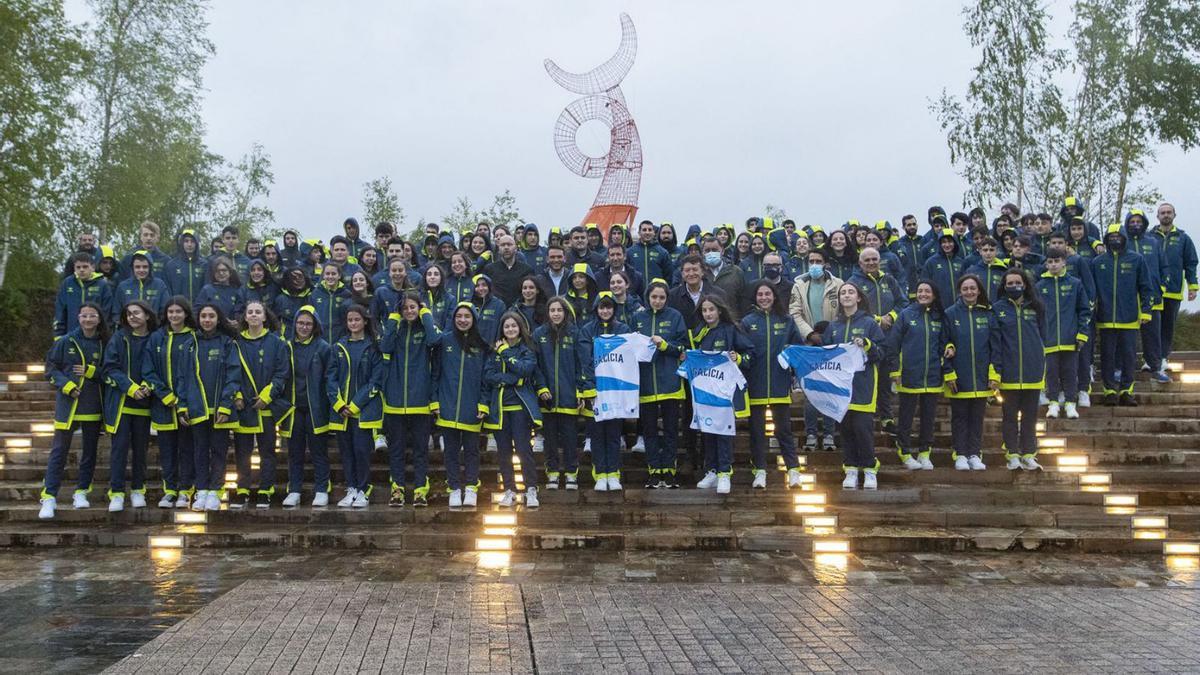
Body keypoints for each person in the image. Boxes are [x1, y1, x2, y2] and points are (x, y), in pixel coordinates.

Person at [38, 304, 108, 519]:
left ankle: (81, 492)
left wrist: (92, 372)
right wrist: (66, 385)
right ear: (78, 317)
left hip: (92, 405)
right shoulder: (66, 341)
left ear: (99, 319)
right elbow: (50, 368)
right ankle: (49, 496)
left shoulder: (104, 343)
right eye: (84, 315)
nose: (88, 319)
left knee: (89, 452)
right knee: (58, 452)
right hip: (67, 405)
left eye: (92, 316)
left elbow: (110, 371)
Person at [583, 294, 653, 491]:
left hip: (616, 392)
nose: (605, 311)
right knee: (597, 435)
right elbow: (584, 360)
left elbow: (637, 354)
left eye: (609, 307)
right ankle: (600, 475)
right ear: (596, 309)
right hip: (595, 392)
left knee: (614, 434)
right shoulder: (587, 330)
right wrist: (588, 387)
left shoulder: (623, 330)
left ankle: (613, 474)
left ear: (614, 309)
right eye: (601, 307)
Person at [741, 280, 805, 488]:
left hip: (779, 384)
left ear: (774, 296)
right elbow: (742, 351)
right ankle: (759, 471)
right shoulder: (747, 322)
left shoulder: (786, 320)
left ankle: (793, 469)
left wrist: (791, 361)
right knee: (757, 433)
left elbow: (798, 349)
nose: (764, 298)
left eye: (767, 294)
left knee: (784, 430)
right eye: (760, 294)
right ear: (755, 298)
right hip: (755, 385)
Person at [379, 293, 440, 507]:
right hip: (395, 402)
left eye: (413, 307)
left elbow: (435, 340)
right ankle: (397, 489)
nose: (409, 311)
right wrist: (393, 319)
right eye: (405, 308)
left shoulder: (426, 329)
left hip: (420, 401)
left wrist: (426, 314)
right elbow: (384, 347)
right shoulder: (396, 329)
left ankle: (420, 490)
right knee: (396, 450)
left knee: (420, 451)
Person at [230, 301, 291, 509]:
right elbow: (231, 372)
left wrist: (267, 396)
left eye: (258, 312)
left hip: (266, 407)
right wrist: (236, 395)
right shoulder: (236, 343)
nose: (254, 315)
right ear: (245, 317)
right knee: (242, 451)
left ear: (265, 317)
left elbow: (282, 373)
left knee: (267, 451)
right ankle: (242, 489)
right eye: (250, 312)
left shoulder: (277, 342)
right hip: (243, 407)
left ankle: (266, 490)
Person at [429, 303, 491, 508]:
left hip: (472, 407)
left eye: (467, 316)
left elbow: (485, 378)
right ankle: (454, 488)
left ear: (474, 319)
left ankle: (471, 487)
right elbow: (435, 373)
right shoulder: (445, 340)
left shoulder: (482, 345)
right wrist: (434, 400)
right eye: (459, 316)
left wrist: (483, 403)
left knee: (472, 450)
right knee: (451, 451)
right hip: (447, 405)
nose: (463, 320)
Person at [824, 283, 885, 490]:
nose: (847, 295)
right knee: (846, 430)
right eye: (843, 293)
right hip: (840, 390)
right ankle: (850, 468)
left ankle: (869, 469)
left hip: (863, 386)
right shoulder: (833, 327)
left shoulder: (869, 323)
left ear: (859, 298)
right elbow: (825, 357)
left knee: (862, 430)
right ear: (839, 299)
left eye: (851, 291)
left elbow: (881, 353)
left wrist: (868, 345)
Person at [689, 295, 752, 494]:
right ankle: (712, 471)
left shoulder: (731, 331)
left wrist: (739, 357)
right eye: (704, 310)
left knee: (723, 433)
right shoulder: (698, 333)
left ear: (720, 311)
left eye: (711, 310)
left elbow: (750, 354)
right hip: (704, 392)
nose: (708, 314)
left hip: (725, 394)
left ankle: (725, 473)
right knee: (707, 433)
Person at [182, 304, 240, 511]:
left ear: (218, 318)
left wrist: (225, 405)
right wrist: (182, 406)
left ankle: (216, 490)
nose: (207, 320)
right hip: (197, 409)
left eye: (211, 316)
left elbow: (234, 376)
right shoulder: (190, 344)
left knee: (218, 451)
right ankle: (202, 491)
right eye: (203, 316)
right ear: (198, 319)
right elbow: (183, 378)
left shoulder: (227, 343)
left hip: (219, 410)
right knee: (199, 451)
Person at [141, 297, 197, 508]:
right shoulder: (157, 338)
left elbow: (194, 372)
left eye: (179, 311)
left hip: (187, 405)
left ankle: (186, 490)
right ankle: (170, 490)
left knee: (187, 448)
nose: (174, 315)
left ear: (186, 314)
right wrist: (165, 394)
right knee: (167, 450)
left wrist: (182, 398)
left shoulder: (194, 337)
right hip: (162, 404)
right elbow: (148, 370)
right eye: (171, 311)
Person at [102, 301, 158, 512]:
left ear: (147, 315)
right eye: (128, 314)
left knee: (141, 451)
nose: (132, 317)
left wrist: (148, 385)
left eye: (136, 313)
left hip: (145, 404)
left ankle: (138, 490)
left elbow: (160, 366)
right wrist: (130, 387)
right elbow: (110, 368)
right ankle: (116, 493)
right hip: (121, 404)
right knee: (119, 450)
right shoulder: (119, 338)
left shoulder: (156, 338)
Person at [483, 312, 543, 508]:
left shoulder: (526, 349)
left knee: (524, 451)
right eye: (506, 326)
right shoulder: (494, 350)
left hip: (520, 410)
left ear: (520, 328)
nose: (510, 329)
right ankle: (509, 490)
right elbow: (489, 376)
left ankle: (531, 489)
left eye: (513, 326)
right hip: (499, 410)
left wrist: (506, 354)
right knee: (504, 452)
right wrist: (513, 379)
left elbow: (526, 371)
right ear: (502, 329)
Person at [630, 281, 687, 487]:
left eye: (662, 297)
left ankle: (669, 470)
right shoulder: (637, 318)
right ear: (648, 297)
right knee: (649, 431)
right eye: (654, 297)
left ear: (667, 298)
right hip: (646, 384)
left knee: (671, 430)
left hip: (670, 383)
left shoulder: (675, 317)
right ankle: (654, 470)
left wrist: (664, 345)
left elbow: (683, 347)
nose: (658, 301)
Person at [1090, 224, 1153, 406]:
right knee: (1107, 357)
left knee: (1129, 356)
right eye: (1111, 236)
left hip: (1130, 318)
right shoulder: (1098, 262)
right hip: (1105, 318)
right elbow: (1091, 290)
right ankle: (1109, 390)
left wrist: (1147, 311)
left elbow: (1146, 287)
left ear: (1124, 238)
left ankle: (1127, 390)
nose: (1114, 239)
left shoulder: (1137, 260)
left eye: (1118, 236)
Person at [888, 281, 949, 470]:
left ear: (934, 294)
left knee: (929, 417)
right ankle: (905, 451)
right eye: (920, 291)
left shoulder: (940, 316)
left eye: (927, 291)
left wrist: (949, 347)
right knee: (906, 416)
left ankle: (924, 453)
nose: (923, 294)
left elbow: (945, 341)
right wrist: (895, 370)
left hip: (932, 375)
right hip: (909, 374)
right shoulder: (906, 315)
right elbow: (894, 344)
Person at [328, 305, 384, 508]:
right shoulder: (338, 347)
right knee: (346, 451)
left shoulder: (373, 347)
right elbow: (330, 378)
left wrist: (355, 404)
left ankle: (363, 489)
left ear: (365, 321)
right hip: (341, 412)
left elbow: (375, 381)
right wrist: (339, 404)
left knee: (361, 451)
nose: (353, 323)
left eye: (357, 320)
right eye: (350, 320)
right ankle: (351, 488)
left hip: (363, 411)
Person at [279, 306, 334, 508]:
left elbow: (329, 378)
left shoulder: (323, 347)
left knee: (319, 451)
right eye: (300, 323)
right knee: (294, 451)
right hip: (293, 408)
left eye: (308, 323)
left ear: (315, 326)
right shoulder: (286, 347)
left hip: (315, 407)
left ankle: (321, 489)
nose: (304, 327)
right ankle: (294, 489)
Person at [534, 296, 589, 491]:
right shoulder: (539, 334)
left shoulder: (575, 333)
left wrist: (580, 391)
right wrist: (541, 388)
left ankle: (572, 473)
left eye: (559, 310)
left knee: (570, 438)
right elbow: (536, 366)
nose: (556, 313)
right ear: (547, 313)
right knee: (549, 439)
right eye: (552, 310)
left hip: (569, 397)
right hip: (546, 399)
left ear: (565, 312)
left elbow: (581, 365)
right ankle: (553, 473)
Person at [788, 248, 841, 451]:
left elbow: (842, 310)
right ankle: (811, 433)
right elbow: (795, 313)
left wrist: (830, 335)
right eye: (811, 261)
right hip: (809, 344)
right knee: (811, 393)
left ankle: (828, 434)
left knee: (829, 391)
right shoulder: (799, 285)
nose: (814, 265)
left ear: (826, 263)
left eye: (818, 260)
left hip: (832, 344)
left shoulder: (838, 284)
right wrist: (810, 334)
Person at [994, 269, 1047, 470]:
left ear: (1025, 284)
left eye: (1018, 282)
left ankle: (1029, 454)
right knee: (1009, 416)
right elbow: (996, 343)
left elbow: (1044, 336)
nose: (1014, 286)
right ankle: (1012, 454)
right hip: (1009, 373)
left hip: (1033, 371)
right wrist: (997, 371)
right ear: (1004, 286)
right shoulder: (997, 309)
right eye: (1010, 283)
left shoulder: (1037, 307)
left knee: (1030, 417)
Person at [943, 275, 997, 471]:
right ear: (960, 291)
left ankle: (974, 453)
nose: (969, 292)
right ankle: (960, 454)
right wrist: (949, 373)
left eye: (972, 288)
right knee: (959, 418)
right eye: (965, 288)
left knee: (977, 418)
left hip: (982, 376)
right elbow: (944, 343)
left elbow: (995, 347)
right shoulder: (950, 314)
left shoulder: (989, 314)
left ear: (979, 290)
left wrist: (994, 375)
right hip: (959, 376)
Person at [1037, 250, 1090, 418]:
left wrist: (1082, 333)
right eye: (1050, 261)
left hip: (1070, 338)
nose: (1053, 264)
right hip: (1049, 338)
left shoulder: (1075, 284)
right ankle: (1053, 403)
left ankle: (1070, 403)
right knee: (1051, 372)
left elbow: (1084, 310)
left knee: (1070, 372)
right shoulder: (1040, 286)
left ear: (1064, 262)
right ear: (1046, 264)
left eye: (1056, 261)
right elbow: (1036, 314)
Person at [1124, 210, 1169, 382]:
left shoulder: (1153, 242)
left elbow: (1164, 266)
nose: (1135, 224)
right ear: (1127, 223)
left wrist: (1162, 286)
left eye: (1138, 221)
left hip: (1151, 298)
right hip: (1128, 300)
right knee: (1127, 337)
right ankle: (1122, 369)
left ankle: (1155, 367)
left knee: (1152, 335)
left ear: (1144, 223)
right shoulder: (1123, 243)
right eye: (1132, 221)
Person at [1152, 203, 1198, 365]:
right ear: (1157, 216)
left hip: (1173, 290)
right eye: (1162, 213)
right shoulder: (1150, 237)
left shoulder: (1183, 238)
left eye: (1169, 212)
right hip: (1153, 290)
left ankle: (1163, 357)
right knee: (1151, 327)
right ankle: (1150, 358)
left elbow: (1191, 263)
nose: (1166, 215)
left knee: (1167, 326)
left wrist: (1193, 286)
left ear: (1174, 215)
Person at [54, 252, 114, 338]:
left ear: (93, 267)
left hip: (95, 336)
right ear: (74, 268)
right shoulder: (67, 283)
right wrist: (58, 335)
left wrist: (103, 334)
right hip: (70, 334)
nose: (81, 270)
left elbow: (106, 313)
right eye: (78, 267)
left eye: (85, 266)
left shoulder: (103, 285)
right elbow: (60, 310)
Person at [195, 255, 247, 328]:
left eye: (224, 270)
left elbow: (242, 310)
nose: (221, 273)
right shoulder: (207, 290)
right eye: (217, 271)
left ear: (230, 272)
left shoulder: (238, 290)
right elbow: (197, 311)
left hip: (232, 332)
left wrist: (238, 321)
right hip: (212, 331)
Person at [701, 236, 746, 317]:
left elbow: (743, 301)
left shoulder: (736, 272)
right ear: (703, 253)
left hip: (731, 322)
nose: (711, 253)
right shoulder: (699, 274)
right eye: (707, 251)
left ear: (722, 251)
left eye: (714, 250)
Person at [165, 229, 208, 304]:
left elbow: (207, 289)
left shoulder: (204, 264)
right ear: (181, 243)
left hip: (199, 310)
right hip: (178, 309)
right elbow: (168, 291)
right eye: (186, 241)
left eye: (192, 241)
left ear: (197, 244)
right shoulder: (171, 265)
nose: (189, 244)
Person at [311, 262, 351, 343]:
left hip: (341, 339)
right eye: (327, 274)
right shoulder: (315, 293)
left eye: (333, 274)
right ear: (323, 276)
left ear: (339, 276)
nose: (330, 276)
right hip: (320, 339)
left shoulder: (346, 294)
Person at [628, 220, 673, 288]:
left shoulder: (663, 252)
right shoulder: (630, 252)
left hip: (656, 295)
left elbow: (668, 277)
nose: (647, 232)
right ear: (639, 233)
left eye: (650, 230)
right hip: (636, 295)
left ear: (654, 233)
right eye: (644, 230)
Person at [469, 274, 506, 344]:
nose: (481, 288)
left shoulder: (499, 305)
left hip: (491, 349)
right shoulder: (468, 304)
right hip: (471, 349)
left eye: (484, 285)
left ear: (489, 286)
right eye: (477, 286)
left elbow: (501, 329)